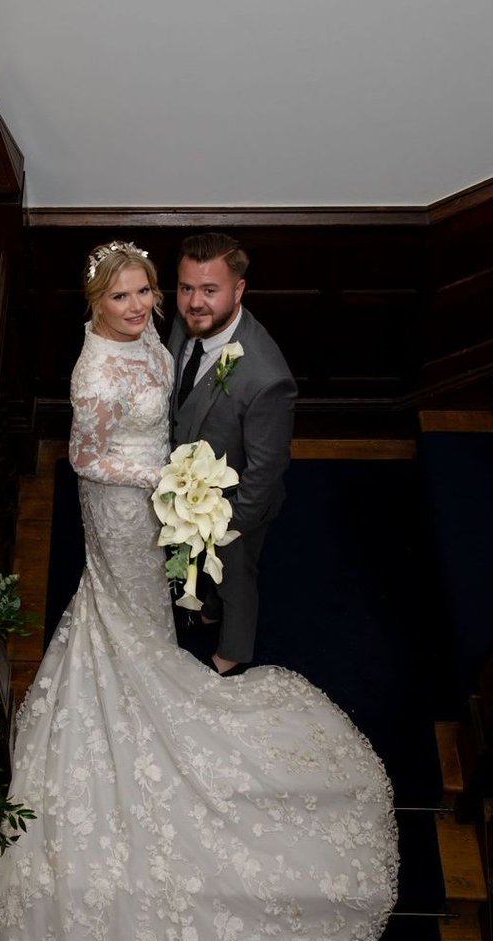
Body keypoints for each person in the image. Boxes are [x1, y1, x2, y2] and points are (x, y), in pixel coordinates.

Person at [0, 241, 397, 941]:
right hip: (120, 504)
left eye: (150, 293)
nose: (143, 309)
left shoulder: (169, 339)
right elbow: (82, 456)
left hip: (167, 501)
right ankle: (142, 674)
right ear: (95, 303)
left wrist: (185, 489)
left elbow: (198, 403)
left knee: (147, 607)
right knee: (124, 605)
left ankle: (166, 642)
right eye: (126, 298)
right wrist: (159, 481)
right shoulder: (91, 374)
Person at [170, 233, 297, 675]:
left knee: (235, 578)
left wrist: (233, 527)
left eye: (210, 290)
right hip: (189, 488)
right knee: (200, 563)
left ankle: (233, 649)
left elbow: (266, 467)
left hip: (234, 507)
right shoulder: (186, 323)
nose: (194, 302)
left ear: (238, 290)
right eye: (186, 288)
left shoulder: (265, 376)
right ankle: (205, 606)